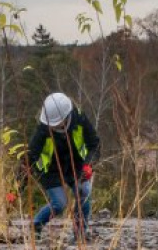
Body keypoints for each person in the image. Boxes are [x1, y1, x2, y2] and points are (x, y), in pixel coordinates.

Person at [24, 92, 101, 238]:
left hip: (77, 165)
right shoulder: (42, 130)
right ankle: (36, 226)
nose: (51, 126)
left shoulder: (80, 118)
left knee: (83, 191)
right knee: (60, 203)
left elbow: (94, 144)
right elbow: (28, 160)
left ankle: (80, 233)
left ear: (65, 118)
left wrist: (89, 165)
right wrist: (14, 190)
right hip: (50, 170)